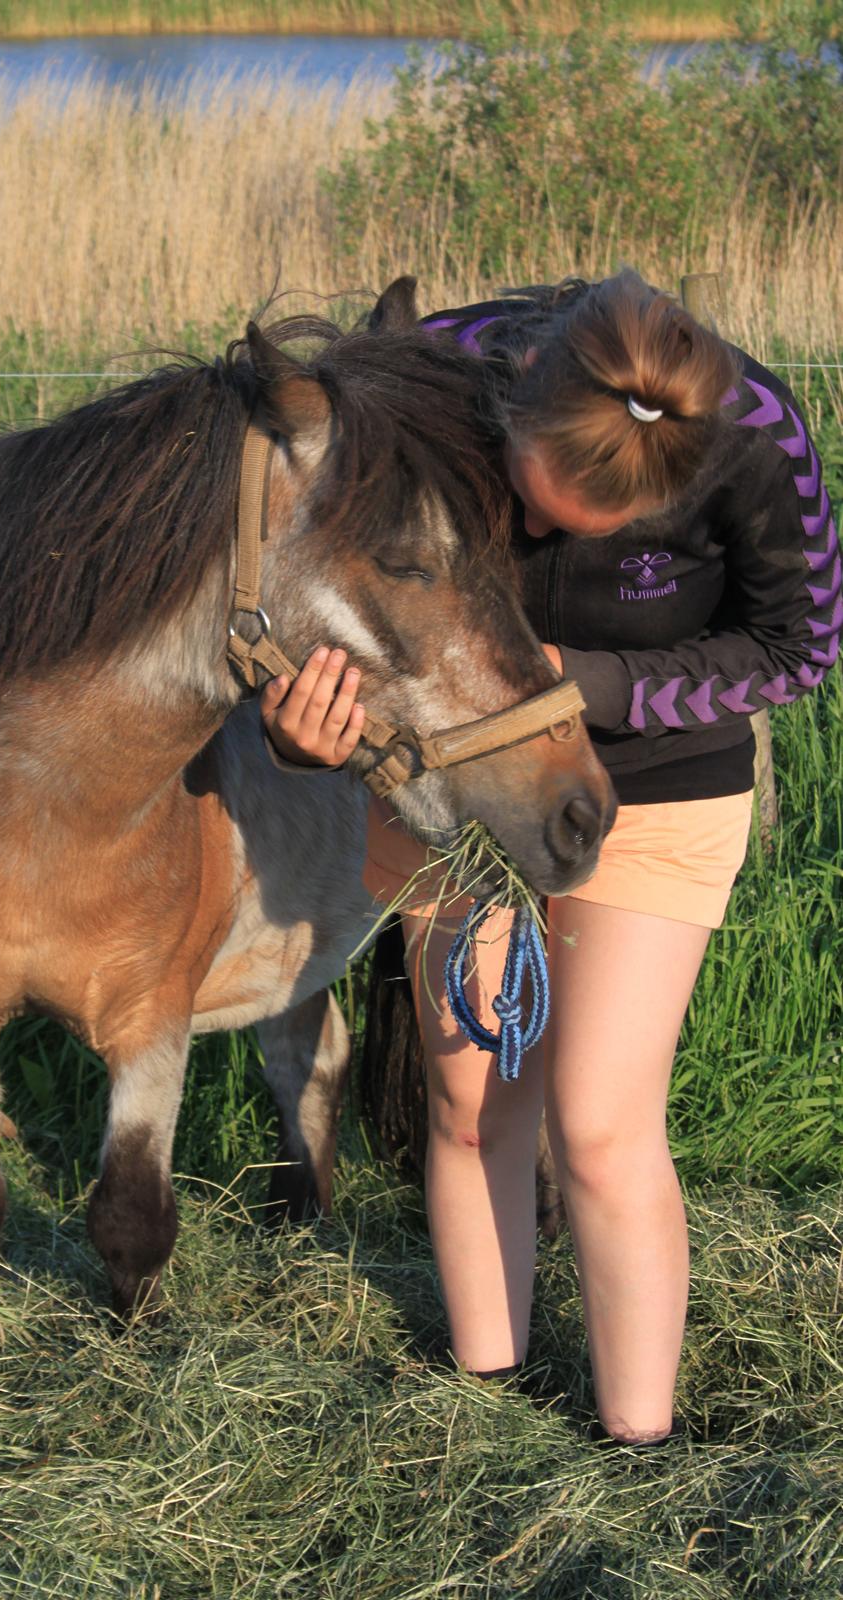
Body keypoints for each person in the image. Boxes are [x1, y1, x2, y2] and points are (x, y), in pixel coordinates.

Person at [258, 271, 839, 1445]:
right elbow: (309, 579)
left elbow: (798, 646)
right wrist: (296, 725)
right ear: (510, 411)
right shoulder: (434, 374)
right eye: (522, 509)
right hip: (446, 783)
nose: (530, 539)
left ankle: (638, 1441)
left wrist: (595, 683)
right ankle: (487, 1395)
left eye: (584, 536)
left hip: (653, 788)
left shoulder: (757, 437)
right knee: (471, 1100)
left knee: (599, 1122)